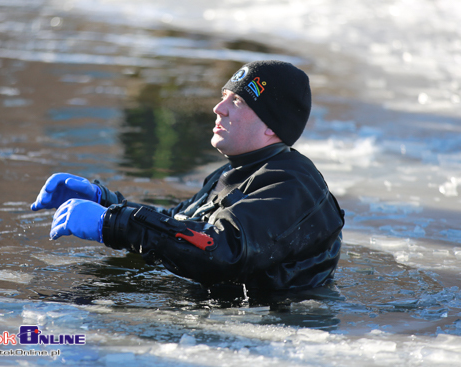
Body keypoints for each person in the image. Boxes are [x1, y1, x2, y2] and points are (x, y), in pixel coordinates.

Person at [31, 60, 345, 294]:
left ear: (272, 125)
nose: (218, 108)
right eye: (223, 97)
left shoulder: (292, 185)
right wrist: (106, 201)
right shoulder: (237, 172)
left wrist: (115, 223)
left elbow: (220, 249)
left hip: (269, 331)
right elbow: (181, 223)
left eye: (237, 101)